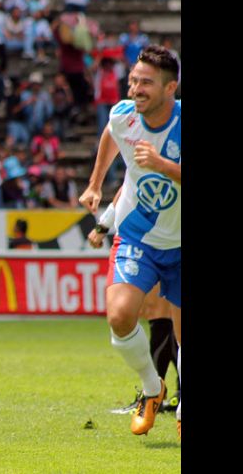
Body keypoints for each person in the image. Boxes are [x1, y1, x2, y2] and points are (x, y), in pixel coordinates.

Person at [78, 45, 181, 440]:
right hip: (139, 235)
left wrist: (162, 166)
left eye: (146, 82)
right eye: (134, 80)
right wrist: (95, 184)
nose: (135, 88)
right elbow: (110, 133)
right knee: (120, 317)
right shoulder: (123, 115)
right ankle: (152, 390)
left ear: (171, 87)